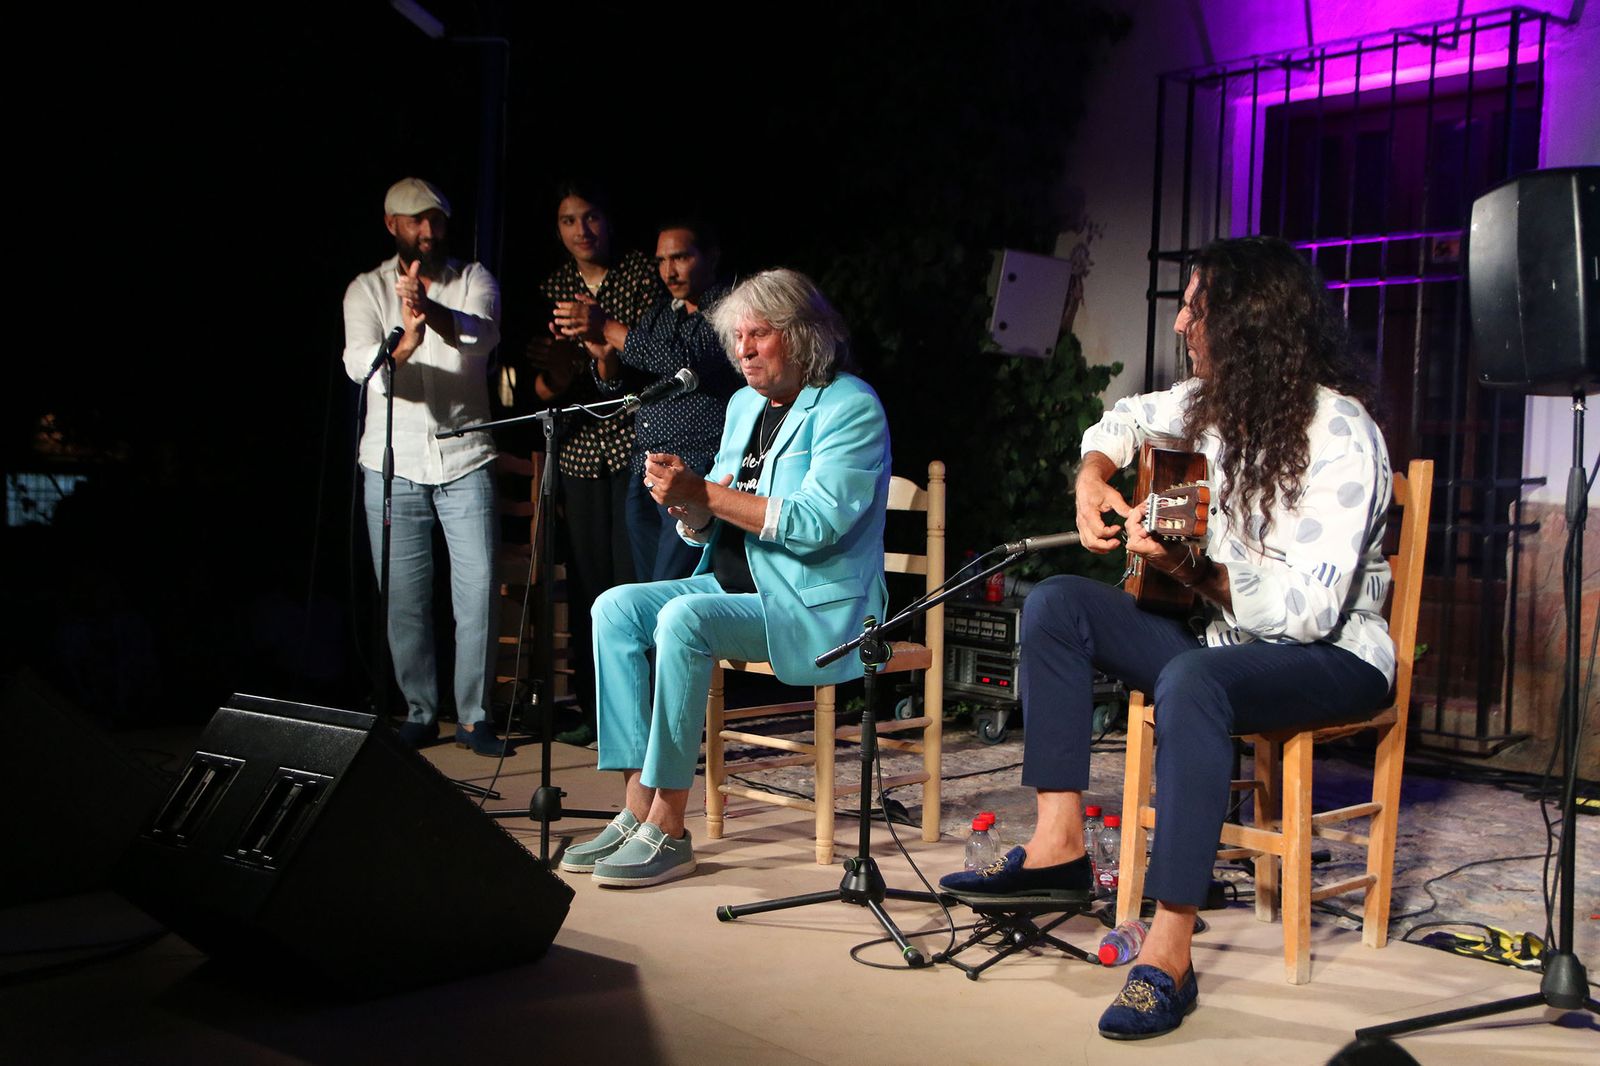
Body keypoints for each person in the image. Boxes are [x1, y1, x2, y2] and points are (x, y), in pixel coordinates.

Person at [939, 236, 1394, 1039]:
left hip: (1334, 658)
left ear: (1250, 324)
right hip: (1226, 647)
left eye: (1197, 308)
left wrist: (1196, 571)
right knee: (1057, 606)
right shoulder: (1206, 407)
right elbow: (1121, 420)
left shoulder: (1343, 433)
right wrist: (1091, 477)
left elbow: (1310, 615)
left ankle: (1169, 951)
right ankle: (1059, 846)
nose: (1182, 322)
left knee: (1193, 682)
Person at [560, 269, 890, 888]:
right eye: (736, 336)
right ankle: (635, 805)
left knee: (683, 619)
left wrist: (705, 493)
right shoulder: (742, 406)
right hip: (734, 587)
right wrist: (686, 506)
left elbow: (815, 522)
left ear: (801, 336)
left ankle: (670, 825)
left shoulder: (851, 407)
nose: (741, 350)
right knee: (614, 608)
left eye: (756, 335)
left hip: (810, 606)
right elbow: (713, 521)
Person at [341, 176, 510, 757]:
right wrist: (404, 342)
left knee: (479, 591)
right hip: (392, 463)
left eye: (436, 219)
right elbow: (358, 364)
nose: (429, 231)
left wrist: (428, 309)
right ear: (393, 225)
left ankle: (475, 717)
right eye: (416, 220)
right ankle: (417, 710)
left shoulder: (473, 279)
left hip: (466, 457)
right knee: (404, 598)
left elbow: (481, 336)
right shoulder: (364, 290)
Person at [533, 181, 665, 745]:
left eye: (590, 217)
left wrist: (603, 347)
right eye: (568, 220)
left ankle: (643, 714)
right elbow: (550, 382)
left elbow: (649, 359)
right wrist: (560, 365)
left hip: (636, 444)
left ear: (607, 221)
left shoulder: (639, 274)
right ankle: (595, 712)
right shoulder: (556, 286)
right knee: (589, 585)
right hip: (582, 452)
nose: (581, 230)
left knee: (630, 584)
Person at [554, 221, 743, 583]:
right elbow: (621, 386)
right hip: (644, 466)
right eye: (661, 261)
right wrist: (605, 356)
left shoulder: (728, 311)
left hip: (694, 466)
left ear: (712, 256)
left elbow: (684, 363)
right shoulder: (659, 313)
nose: (669, 271)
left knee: (670, 584)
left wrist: (608, 325)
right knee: (644, 587)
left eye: (681, 257)